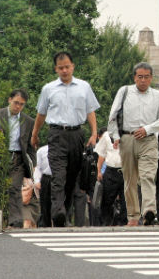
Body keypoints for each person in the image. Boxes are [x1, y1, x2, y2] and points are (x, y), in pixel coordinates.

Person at [31, 51, 100, 227]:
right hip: (56, 134)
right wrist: (35, 134)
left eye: (67, 67)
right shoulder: (48, 89)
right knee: (58, 175)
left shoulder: (84, 87)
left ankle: (64, 213)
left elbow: (90, 110)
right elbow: (41, 113)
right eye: (60, 68)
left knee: (71, 177)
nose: (64, 71)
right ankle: (58, 212)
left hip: (77, 134)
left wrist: (94, 133)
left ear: (73, 67)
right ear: (56, 69)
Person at [108, 62, 159, 226]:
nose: (143, 80)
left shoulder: (157, 96)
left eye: (146, 77)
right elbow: (113, 115)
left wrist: (148, 129)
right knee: (130, 179)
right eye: (140, 77)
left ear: (151, 78)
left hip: (148, 140)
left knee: (148, 175)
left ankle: (149, 211)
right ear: (134, 77)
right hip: (127, 139)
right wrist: (115, 136)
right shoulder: (125, 91)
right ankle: (133, 216)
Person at [0, 89, 36, 228]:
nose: (18, 106)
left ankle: (16, 221)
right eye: (16, 103)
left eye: (21, 104)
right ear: (9, 100)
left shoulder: (28, 121)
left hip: (18, 158)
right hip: (0, 156)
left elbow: (30, 145)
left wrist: (33, 164)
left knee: (14, 188)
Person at [95, 128, 127, 226]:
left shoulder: (129, 134)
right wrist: (99, 171)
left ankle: (124, 223)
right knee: (107, 200)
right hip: (111, 171)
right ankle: (106, 223)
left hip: (126, 171)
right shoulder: (106, 135)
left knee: (125, 200)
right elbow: (101, 155)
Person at [33, 144, 52, 227]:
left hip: (59, 178)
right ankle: (45, 225)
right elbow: (37, 167)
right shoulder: (42, 150)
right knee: (45, 204)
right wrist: (37, 180)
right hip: (46, 178)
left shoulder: (63, 148)